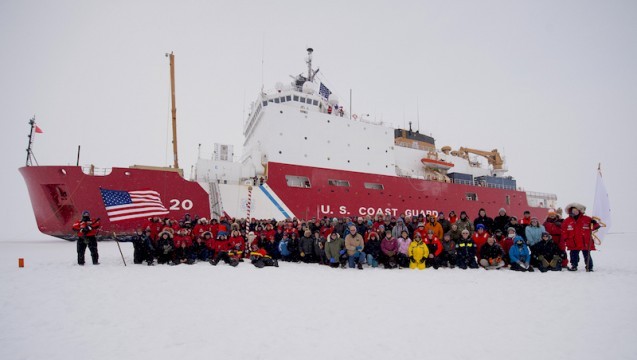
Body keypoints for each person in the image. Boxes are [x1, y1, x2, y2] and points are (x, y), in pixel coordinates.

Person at [562, 203, 600, 272]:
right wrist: (566, 239)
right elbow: (564, 231)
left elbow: (595, 227)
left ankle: (589, 267)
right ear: (570, 211)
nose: (575, 212)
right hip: (573, 242)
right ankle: (574, 266)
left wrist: (594, 223)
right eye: (573, 210)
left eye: (576, 210)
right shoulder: (567, 221)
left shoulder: (587, 219)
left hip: (585, 241)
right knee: (573, 255)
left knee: (587, 255)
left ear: (579, 211)